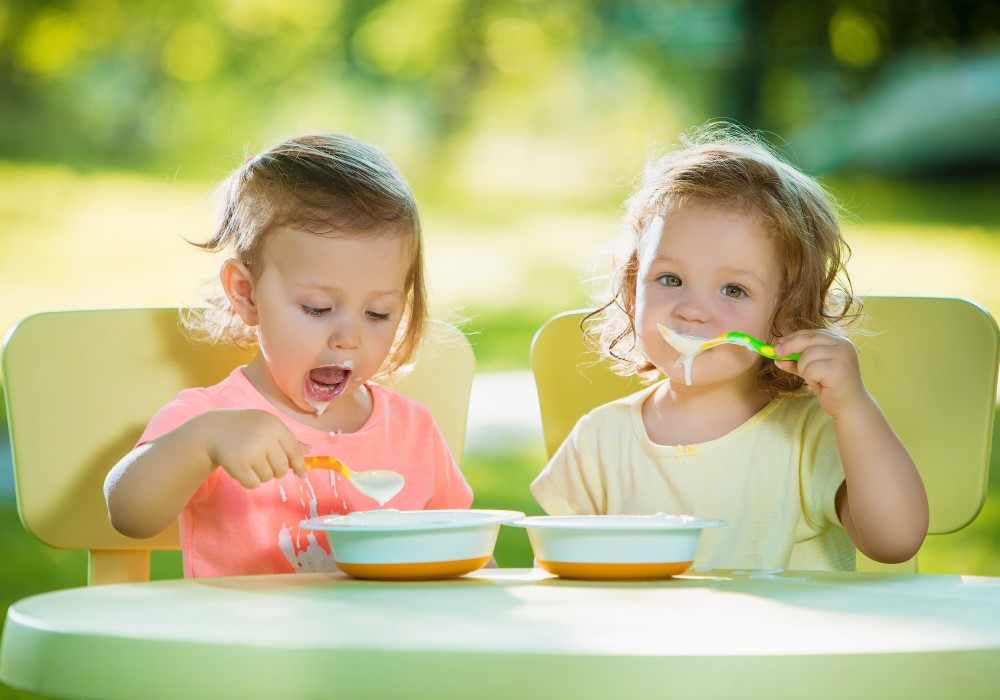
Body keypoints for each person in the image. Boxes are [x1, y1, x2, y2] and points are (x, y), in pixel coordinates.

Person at [530, 123, 928, 571]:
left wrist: (855, 409)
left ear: (788, 314)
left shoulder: (811, 434)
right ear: (631, 288)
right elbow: (562, 579)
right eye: (670, 280)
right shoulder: (601, 441)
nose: (693, 310)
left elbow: (895, 542)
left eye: (734, 290)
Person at [105, 133, 473, 577]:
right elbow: (128, 513)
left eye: (378, 313)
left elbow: (463, 552)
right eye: (317, 308)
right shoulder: (215, 418)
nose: (348, 337)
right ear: (247, 293)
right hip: (244, 642)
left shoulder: (414, 431)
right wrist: (202, 443)